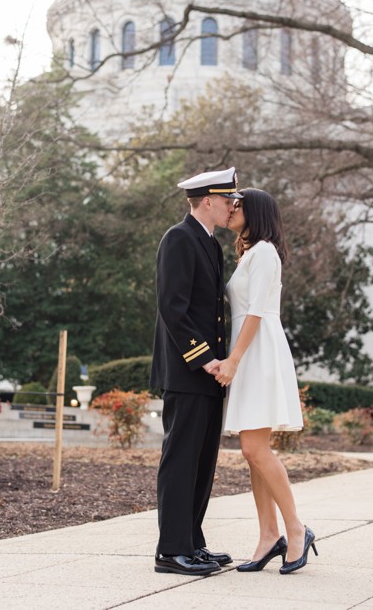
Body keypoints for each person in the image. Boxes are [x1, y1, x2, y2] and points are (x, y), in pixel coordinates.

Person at [212, 188, 316, 575]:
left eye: (237, 206)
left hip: (257, 352)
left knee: (257, 450)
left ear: (255, 212)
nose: (230, 210)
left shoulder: (265, 252)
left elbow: (256, 310)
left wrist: (234, 360)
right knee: (252, 451)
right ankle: (269, 534)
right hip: (250, 348)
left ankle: (295, 528)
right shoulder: (250, 253)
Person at [150, 167, 242, 576]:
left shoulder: (209, 244)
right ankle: (171, 550)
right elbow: (173, 307)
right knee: (181, 460)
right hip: (189, 370)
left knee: (203, 462)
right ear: (208, 200)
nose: (231, 208)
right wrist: (205, 358)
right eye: (227, 201)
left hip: (209, 372)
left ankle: (193, 543)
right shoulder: (179, 238)